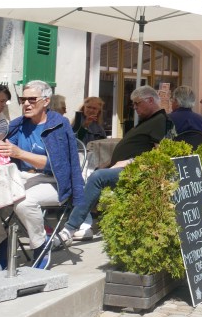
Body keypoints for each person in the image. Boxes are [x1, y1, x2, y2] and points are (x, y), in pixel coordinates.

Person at [0, 80, 83, 269]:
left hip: (55, 181)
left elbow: (58, 165)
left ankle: (41, 245)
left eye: (32, 99)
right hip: (23, 177)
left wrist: (20, 153)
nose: (26, 104)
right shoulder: (19, 125)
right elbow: (4, 149)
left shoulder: (58, 125)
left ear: (46, 101)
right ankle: (1, 243)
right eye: (23, 99)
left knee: (24, 202)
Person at [59, 85, 174, 243]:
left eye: (137, 103)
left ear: (150, 100)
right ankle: (83, 225)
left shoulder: (160, 121)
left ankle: (70, 228)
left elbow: (159, 155)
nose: (134, 107)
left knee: (97, 177)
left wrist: (129, 162)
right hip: (123, 167)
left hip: (138, 172)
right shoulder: (148, 120)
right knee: (86, 176)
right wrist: (109, 163)